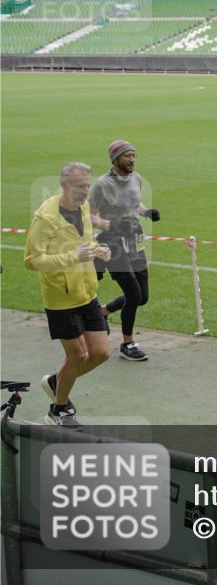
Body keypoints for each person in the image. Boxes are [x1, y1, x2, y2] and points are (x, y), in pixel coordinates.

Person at [24, 162, 111, 428]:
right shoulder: (46, 217)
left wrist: (97, 249)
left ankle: (55, 381)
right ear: (63, 184)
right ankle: (58, 408)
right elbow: (32, 259)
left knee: (101, 353)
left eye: (87, 185)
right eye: (79, 186)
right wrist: (73, 257)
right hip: (61, 298)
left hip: (87, 293)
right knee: (78, 356)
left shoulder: (83, 207)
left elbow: (84, 242)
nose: (84, 191)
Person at [89, 139, 160, 362]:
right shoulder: (101, 185)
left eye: (133, 155)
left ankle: (103, 312)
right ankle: (127, 344)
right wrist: (112, 225)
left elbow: (133, 205)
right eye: (127, 156)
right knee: (133, 294)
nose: (132, 159)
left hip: (135, 239)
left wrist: (147, 212)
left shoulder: (136, 179)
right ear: (115, 158)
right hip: (112, 241)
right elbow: (89, 216)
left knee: (143, 296)